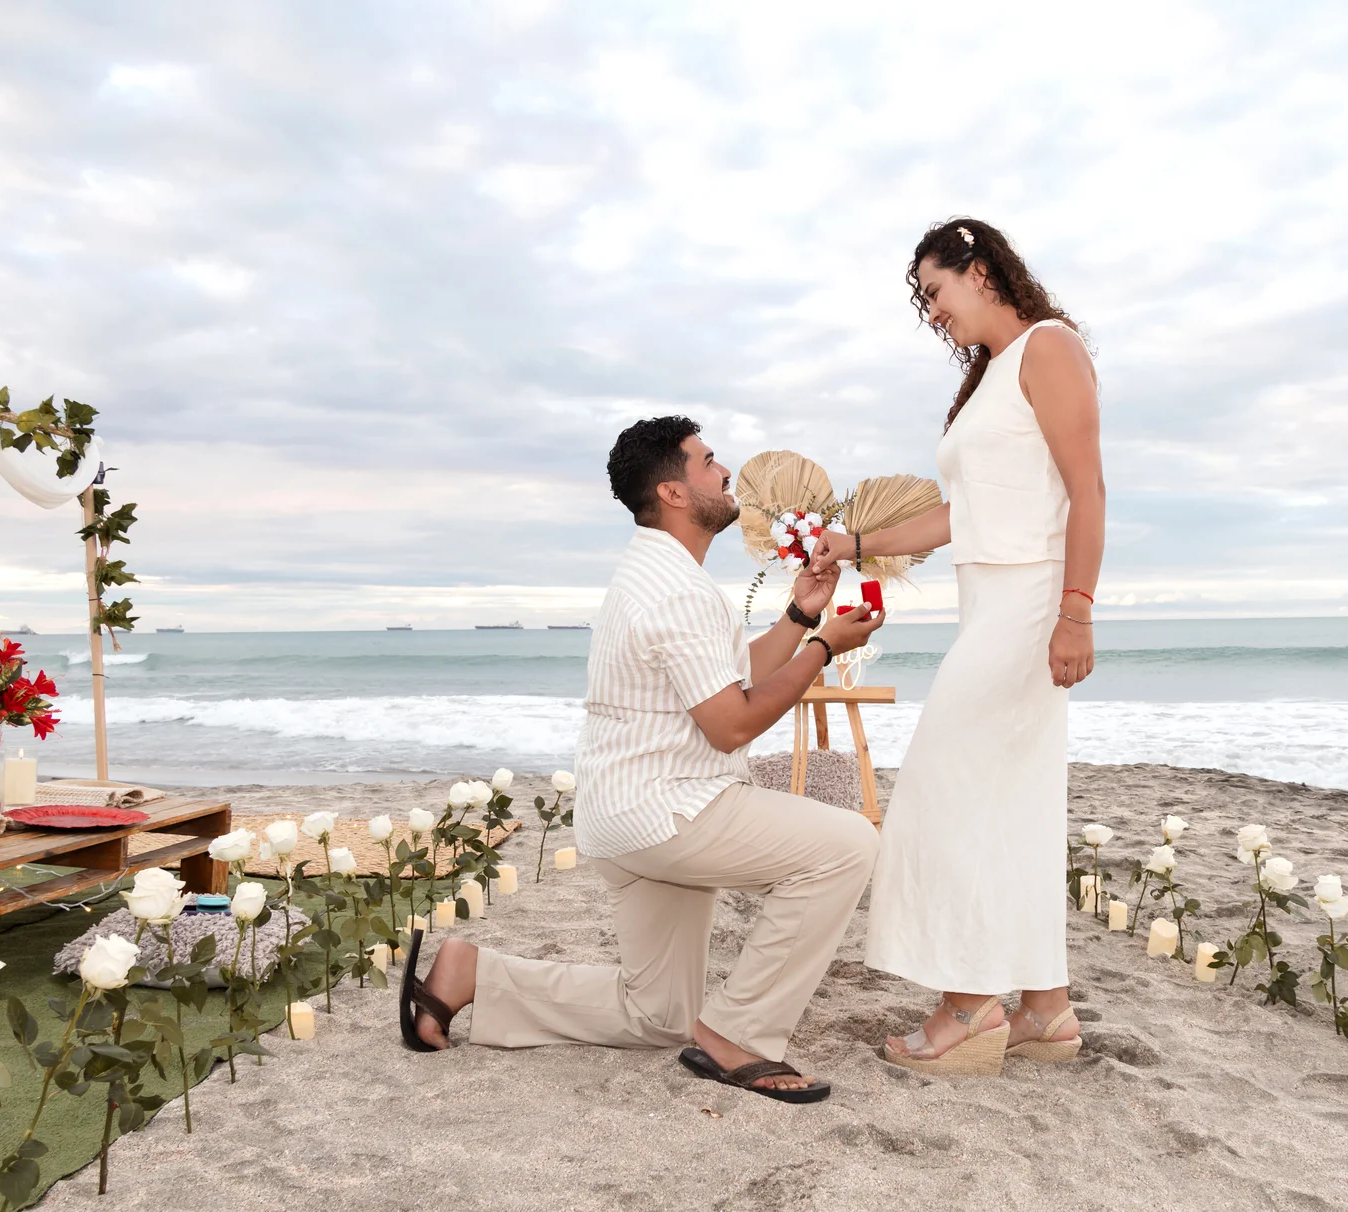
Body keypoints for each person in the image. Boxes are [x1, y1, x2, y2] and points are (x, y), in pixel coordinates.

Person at [400, 415, 886, 1103]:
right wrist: (825, 649)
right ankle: (739, 1034)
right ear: (676, 492)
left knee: (657, 1015)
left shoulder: (654, 573)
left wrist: (801, 619)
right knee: (845, 845)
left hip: (623, 818)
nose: (725, 471)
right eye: (709, 460)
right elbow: (730, 724)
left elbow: (723, 681)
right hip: (670, 810)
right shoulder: (677, 590)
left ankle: (472, 975)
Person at [812, 218, 1105, 1075]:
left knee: (946, 799)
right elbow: (961, 515)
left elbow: (1086, 489)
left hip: (1030, 607)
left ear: (979, 272)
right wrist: (854, 545)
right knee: (1010, 808)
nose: (933, 314)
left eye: (935, 293)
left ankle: (970, 1004)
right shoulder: (993, 379)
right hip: (992, 606)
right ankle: (1045, 1010)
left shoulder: (1049, 349)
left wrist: (1076, 611)